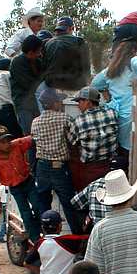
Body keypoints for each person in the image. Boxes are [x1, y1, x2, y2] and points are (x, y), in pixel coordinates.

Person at [91, 40, 137, 159]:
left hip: (120, 118)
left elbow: (94, 84)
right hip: (136, 114)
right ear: (133, 51)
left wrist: (108, 97)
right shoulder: (133, 62)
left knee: (124, 156)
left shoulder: (109, 71)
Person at [31, 87, 80, 234]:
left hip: (41, 167)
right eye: (59, 101)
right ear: (54, 103)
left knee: (43, 203)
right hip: (59, 167)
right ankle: (78, 239)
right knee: (69, 204)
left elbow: (34, 141)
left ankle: (46, 236)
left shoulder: (35, 122)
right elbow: (74, 140)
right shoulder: (64, 118)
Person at [0, 126, 41, 243]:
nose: (7, 144)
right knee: (25, 214)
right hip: (15, 188)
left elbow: (33, 139)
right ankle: (35, 239)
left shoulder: (18, 144)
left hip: (28, 182)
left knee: (38, 206)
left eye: (8, 140)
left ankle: (40, 228)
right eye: (3, 142)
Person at [67, 86, 118, 191]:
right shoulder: (112, 113)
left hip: (90, 170)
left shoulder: (79, 121)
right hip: (111, 167)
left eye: (80, 102)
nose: (78, 105)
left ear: (88, 102)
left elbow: (72, 143)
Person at [42, 16, 90, 92]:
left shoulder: (47, 43)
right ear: (71, 28)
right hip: (73, 85)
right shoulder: (80, 42)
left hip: (51, 85)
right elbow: (86, 67)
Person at [10, 35, 43, 135]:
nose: (40, 54)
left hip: (36, 104)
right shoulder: (17, 63)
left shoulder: (37, 62)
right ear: (30, 52)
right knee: (30, 136)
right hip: (24, 106)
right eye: (38, 51)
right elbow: (29, 84)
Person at [0, 58, 23, 138]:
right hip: (5, 109)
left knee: (0, 138)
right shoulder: (7, 74)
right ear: (9, 66)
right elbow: (16, 90)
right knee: (16, 135)